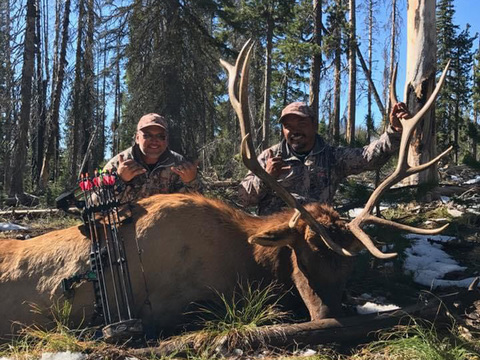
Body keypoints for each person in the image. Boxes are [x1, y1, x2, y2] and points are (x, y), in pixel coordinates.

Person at [239, 101, 410, 215]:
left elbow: (368, 158)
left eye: (301, 124)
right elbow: (244, 199)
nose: (294, 131)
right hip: (276, 234)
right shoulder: (268, 157)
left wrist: (393, 132)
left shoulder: (332, 157)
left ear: (314, 125)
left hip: (315, 234)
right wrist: (266, 178)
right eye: (288, 127)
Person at [104, 113, 201, 203]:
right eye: (147, 135)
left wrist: (191, 181)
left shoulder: (178, 164)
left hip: (164, 220)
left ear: (166, 140)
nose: (154, 140)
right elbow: (95, 202)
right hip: (127, 221)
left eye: (161, 136)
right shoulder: (118, 164)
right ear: (137, 138)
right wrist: (120, 179)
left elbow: (194, 205)